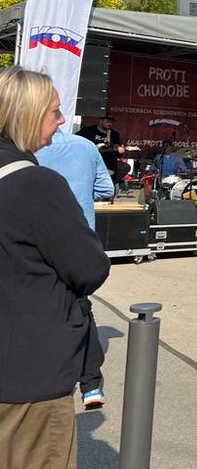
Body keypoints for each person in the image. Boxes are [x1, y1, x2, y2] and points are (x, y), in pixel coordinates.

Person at [0, 67, 110, 468]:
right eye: (54, 111)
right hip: (29, 375)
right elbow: (90, 269)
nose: (62, 121)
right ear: (26, 115)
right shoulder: (36, 184)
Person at [36, 130, 115, 410]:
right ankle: (91, 383)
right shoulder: (86, 146)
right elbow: (107, 190)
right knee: (80, 305)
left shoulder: (25, 147)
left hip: (37, 240)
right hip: (81, 237)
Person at [77, 112, 129, 186]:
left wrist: (120, 150)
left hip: (108, 163)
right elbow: (76, 140)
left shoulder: (114, 134)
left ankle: (109, 185)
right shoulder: (88, 131)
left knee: (125, 167)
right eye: (107, 121)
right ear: (101, 121)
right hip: (90, 161)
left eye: (111, 122)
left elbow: (117, 151)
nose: (110, 124)